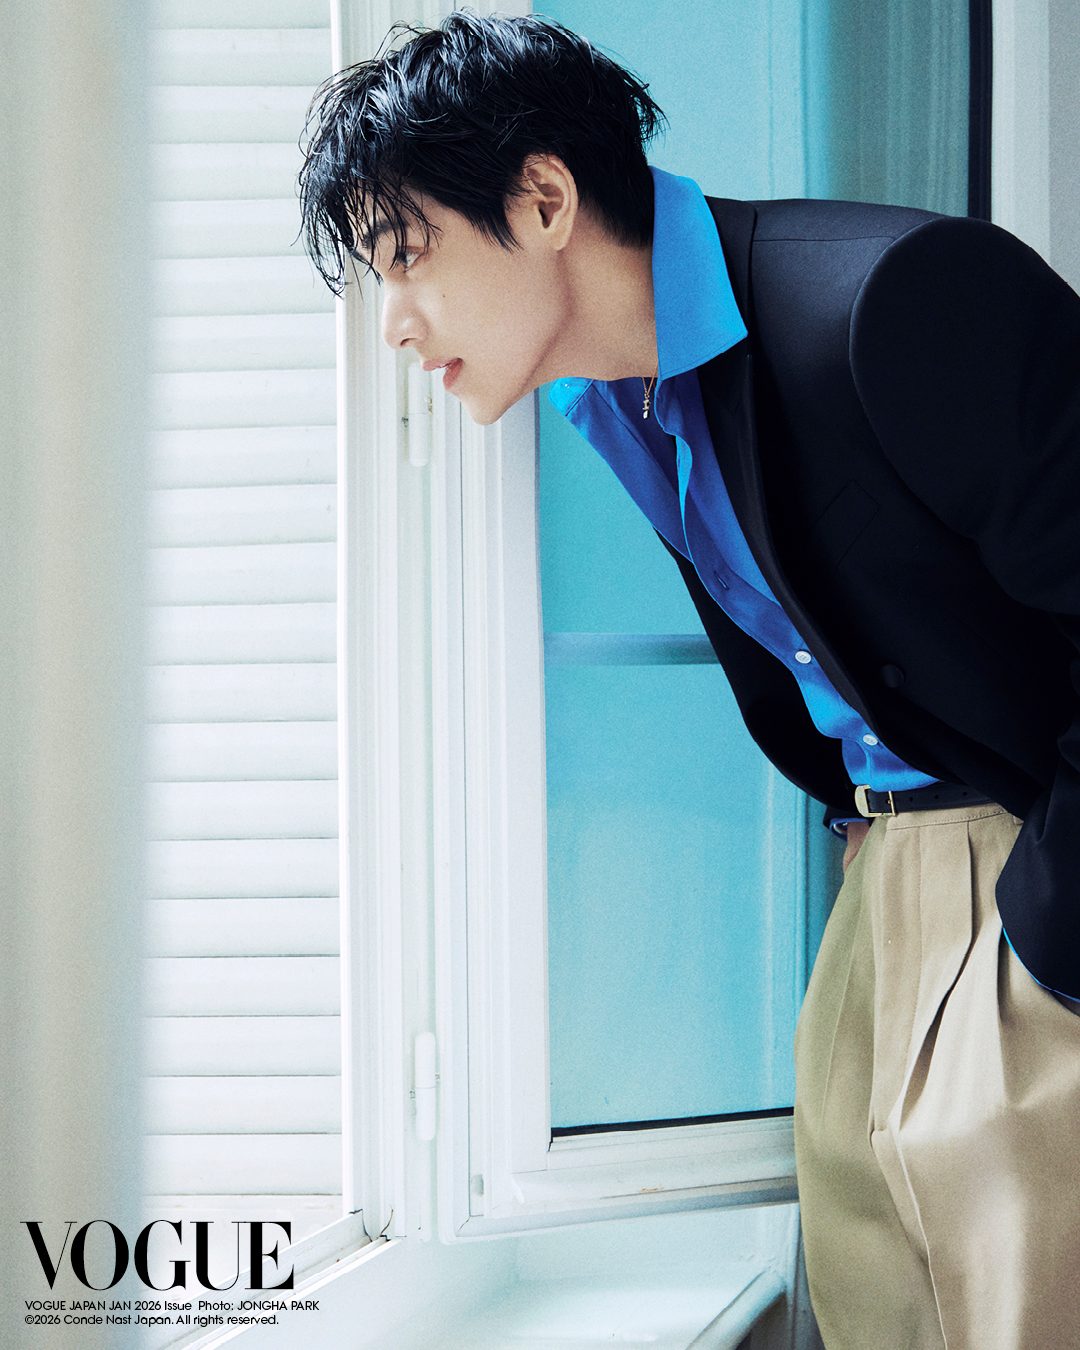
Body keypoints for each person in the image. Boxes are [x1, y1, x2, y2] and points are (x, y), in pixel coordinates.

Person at [298, 13, 1080, 1348]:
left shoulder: (899, 295)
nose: (396, 325)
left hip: (1025, 867)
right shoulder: (614, 403)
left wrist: (1052, 942)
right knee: (882, 1311)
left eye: (406, 255)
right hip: (882, 880)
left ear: (544, 199)